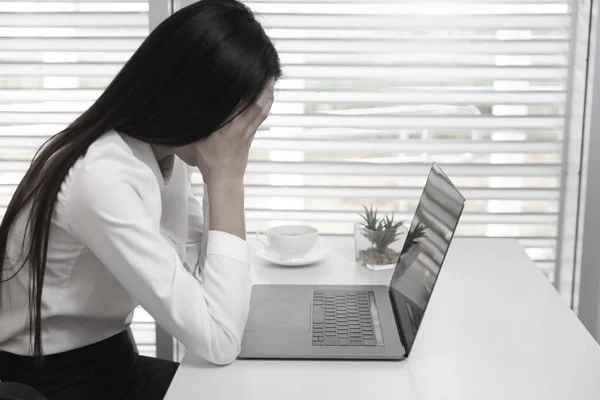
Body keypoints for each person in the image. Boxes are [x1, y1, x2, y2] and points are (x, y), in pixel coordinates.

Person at [0, 0, 281, 398]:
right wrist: (227, 178)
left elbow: (206, 281)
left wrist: (219, 175)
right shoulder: (101, 176)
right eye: (240, 123)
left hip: (112, 359)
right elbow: (218, 338)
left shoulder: (163, 153)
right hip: (54, 382)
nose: (239, 138)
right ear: (192, 101)